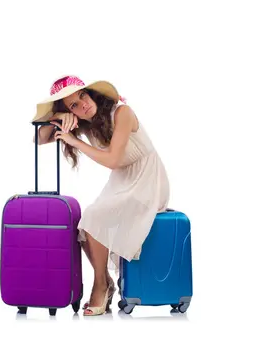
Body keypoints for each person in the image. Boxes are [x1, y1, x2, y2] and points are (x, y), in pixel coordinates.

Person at [32, 75, 170, 316]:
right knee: (87, 223)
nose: (82, 104)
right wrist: (57, 118)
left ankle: (100, 286)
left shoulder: (122, 112)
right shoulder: (86, 121)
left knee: (95, 217)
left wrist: (74, 141)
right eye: (73, 105)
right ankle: (104, 280)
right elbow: (39, 138)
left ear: (90, 93)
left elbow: (114, 160)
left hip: (148, 180)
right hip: (122, 181)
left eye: (81, 96)